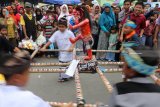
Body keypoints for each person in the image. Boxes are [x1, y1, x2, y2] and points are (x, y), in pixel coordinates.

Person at [108, 43, 160, 107]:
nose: (123, 66)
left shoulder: (119, 89)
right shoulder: (158, 91)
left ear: (131, 69)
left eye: (125, 63)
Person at [42, 17, 75, 82]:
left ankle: (69, 74)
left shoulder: (69, 33)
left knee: (69, 63)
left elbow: (74, 41)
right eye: (60, 26)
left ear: (66, 26)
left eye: (63, 26)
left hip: (69, 51)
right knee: (62, 63)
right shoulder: (56, 33)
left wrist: (72, 47)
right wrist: (44, 47)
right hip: (61, 51)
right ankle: (63, 77)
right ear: (57, 26)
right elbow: (50, 41)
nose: (61, 28)